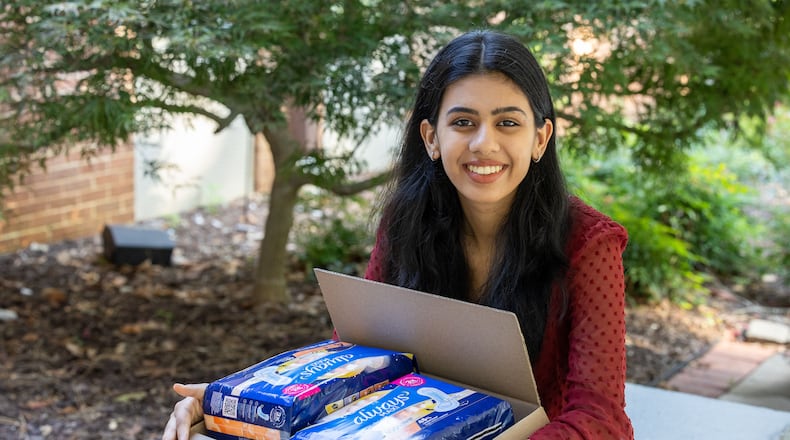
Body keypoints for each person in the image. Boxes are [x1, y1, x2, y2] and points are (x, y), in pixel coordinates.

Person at [162, 29, 633, 440]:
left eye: (507, 122)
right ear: (431, 138)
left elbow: (603, 419)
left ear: (540, 139)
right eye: (463, 122)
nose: (483, 143)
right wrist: (228, 404)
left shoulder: (589, 244)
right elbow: (353, 368)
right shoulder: (406, 225)